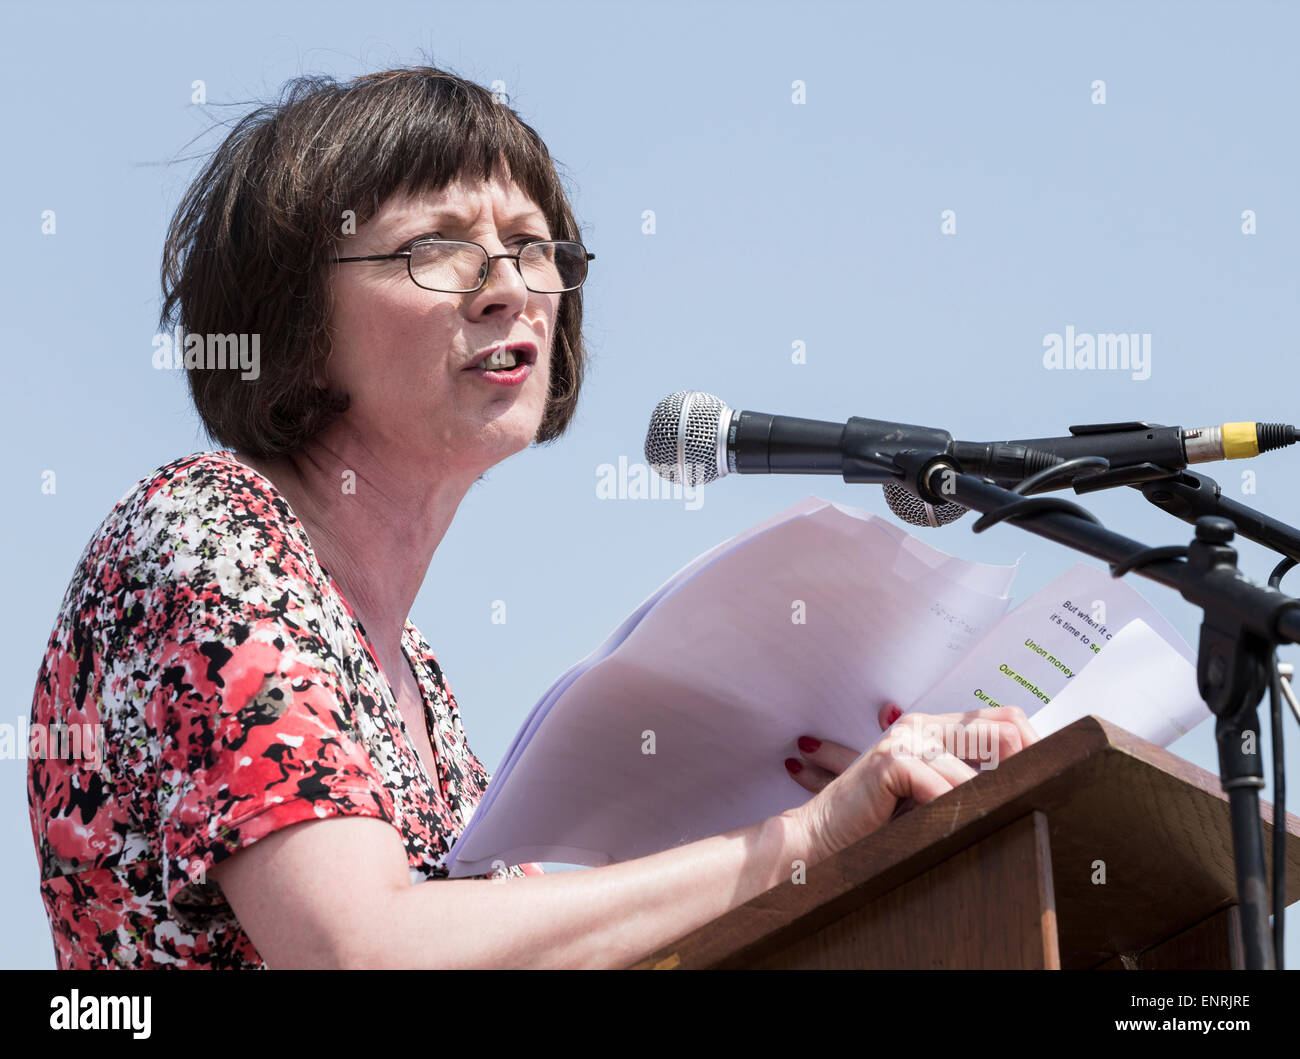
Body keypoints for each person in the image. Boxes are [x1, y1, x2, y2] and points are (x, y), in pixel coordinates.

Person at [27, 65, 1038, 970]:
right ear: (291, 320)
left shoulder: (411, 670)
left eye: (529, 246)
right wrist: (799, 844)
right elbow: (362, 953)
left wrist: (846, 810)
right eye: (435, 248)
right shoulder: (210, 530)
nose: (508, 286)